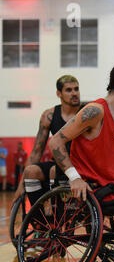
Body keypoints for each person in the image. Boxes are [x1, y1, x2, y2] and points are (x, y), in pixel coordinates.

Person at [48, 60, 114, 205]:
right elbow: (55, 142)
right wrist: (75, 178)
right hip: (90, 187)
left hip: (109, 186)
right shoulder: (95, 110)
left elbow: (111, 159)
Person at [13, 75, 82, 205]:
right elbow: (36, 152)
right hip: (58, 165)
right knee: (31, 171)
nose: (74, 93)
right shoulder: (49, 116)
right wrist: (21, 185)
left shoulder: (86, 113)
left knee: (54, 171)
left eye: (76, 89)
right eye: (69, 90)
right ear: (59, 94)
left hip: (80, 165)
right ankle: (41, 221)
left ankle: (60, 209)